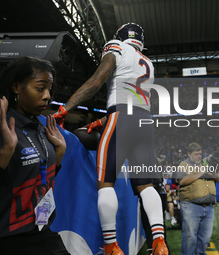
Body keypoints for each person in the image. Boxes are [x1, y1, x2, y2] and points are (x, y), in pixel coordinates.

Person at [54, 23, 168, 255]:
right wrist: (103, 120)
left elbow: (97, 80)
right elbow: (133, 101)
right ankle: (159, 242)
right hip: (144, 122)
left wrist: (64, 109)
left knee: (105, 183)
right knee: (146, 186)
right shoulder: (148, 62)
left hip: (121, 117)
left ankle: (111, 245)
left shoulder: (117, 48)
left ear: (120, 37)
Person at [0, 56, 70, 255]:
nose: (47, 96)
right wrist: (5, 153)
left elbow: (39, 182)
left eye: (49, 90)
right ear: (17, 87)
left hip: (45, 237)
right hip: (8, 244)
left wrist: (59, 153)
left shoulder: (41, 130)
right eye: (40, 88)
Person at [176, 143, 219, 255]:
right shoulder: (183, 165)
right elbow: (181, 181)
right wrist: (200, 172)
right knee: (190, 237)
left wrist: (212, 174)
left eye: (200, 154)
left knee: (205, 237)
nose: (199, 156)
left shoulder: (205, 164)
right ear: (189, 154)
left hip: (209, 207)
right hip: (191, 206)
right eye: (196, 154)